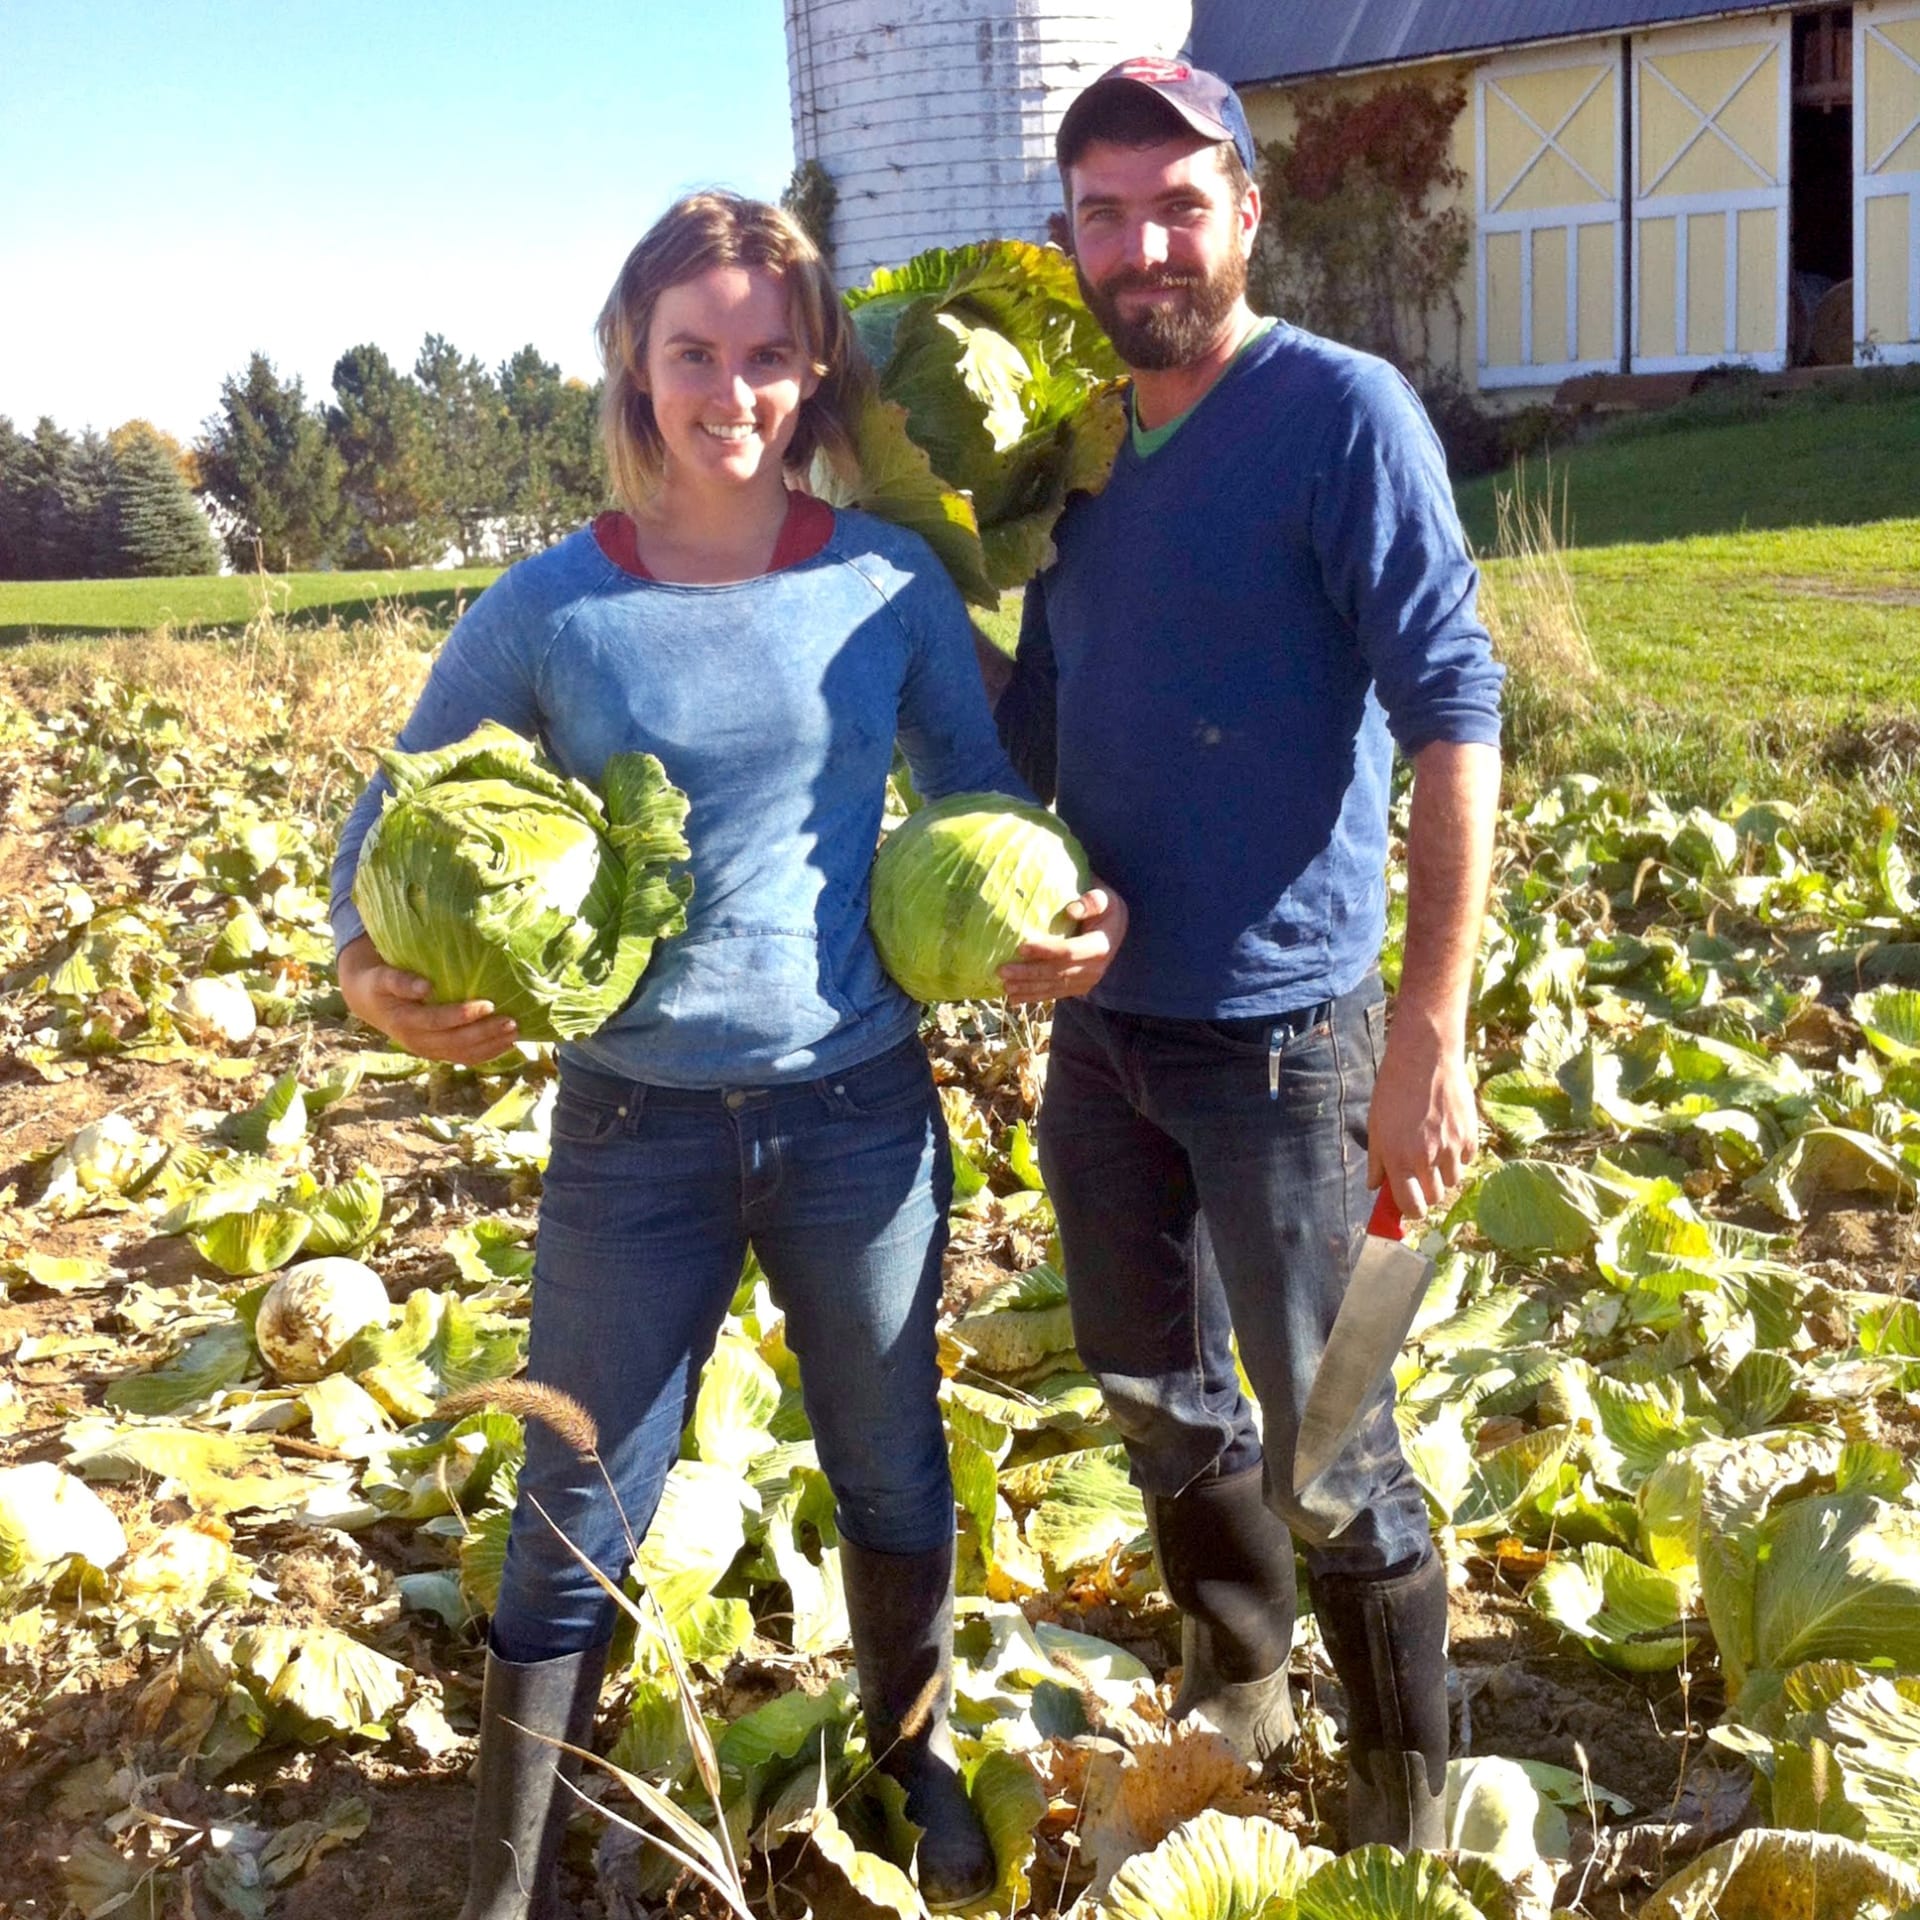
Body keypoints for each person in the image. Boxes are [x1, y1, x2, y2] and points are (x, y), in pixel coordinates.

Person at [329, 191, 1124, 1919]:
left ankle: (912, 1769)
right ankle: (512, 1879)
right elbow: (392, 806)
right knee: (573, 1507)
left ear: (815, 365)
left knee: (893, 1459)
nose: (734, 390)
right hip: (635, 1130)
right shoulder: (554, 609)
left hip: (858, 1109)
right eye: (697, 352)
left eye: (770, 354)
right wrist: (361, 971)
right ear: (636, 362)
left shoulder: (883, 577)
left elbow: (977, 791)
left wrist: (1037, 917)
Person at [992, 60, 1504, 1851]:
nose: (1146, 245)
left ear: (1246, 213)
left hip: (1296, 1040)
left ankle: (1408, 1792)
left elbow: (1455, 713)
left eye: (1179, 203)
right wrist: (1007, 893)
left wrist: (1428, 1031)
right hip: (1107, 1039)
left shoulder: (1340, 414)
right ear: (1072, 243)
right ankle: (1240, 1674)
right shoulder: (1075, 453)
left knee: (1337, 1443)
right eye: (1109, 215)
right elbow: (1041, 733)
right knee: (1152, 1388)